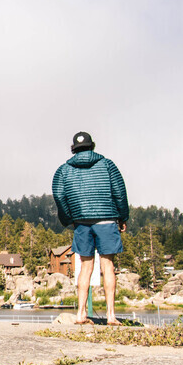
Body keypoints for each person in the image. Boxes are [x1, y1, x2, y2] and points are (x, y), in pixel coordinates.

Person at [52, 132, 129, 325]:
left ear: (73, 149)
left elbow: (59, 196)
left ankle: (80, 314)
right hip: (106, 219)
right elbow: (119, 192)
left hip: (81, 222)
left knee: (85, 267)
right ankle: (111, 316)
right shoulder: (107, 165)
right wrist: (122, 216)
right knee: (108, 266)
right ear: (92, 146)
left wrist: (69, 218)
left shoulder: (63, 170)